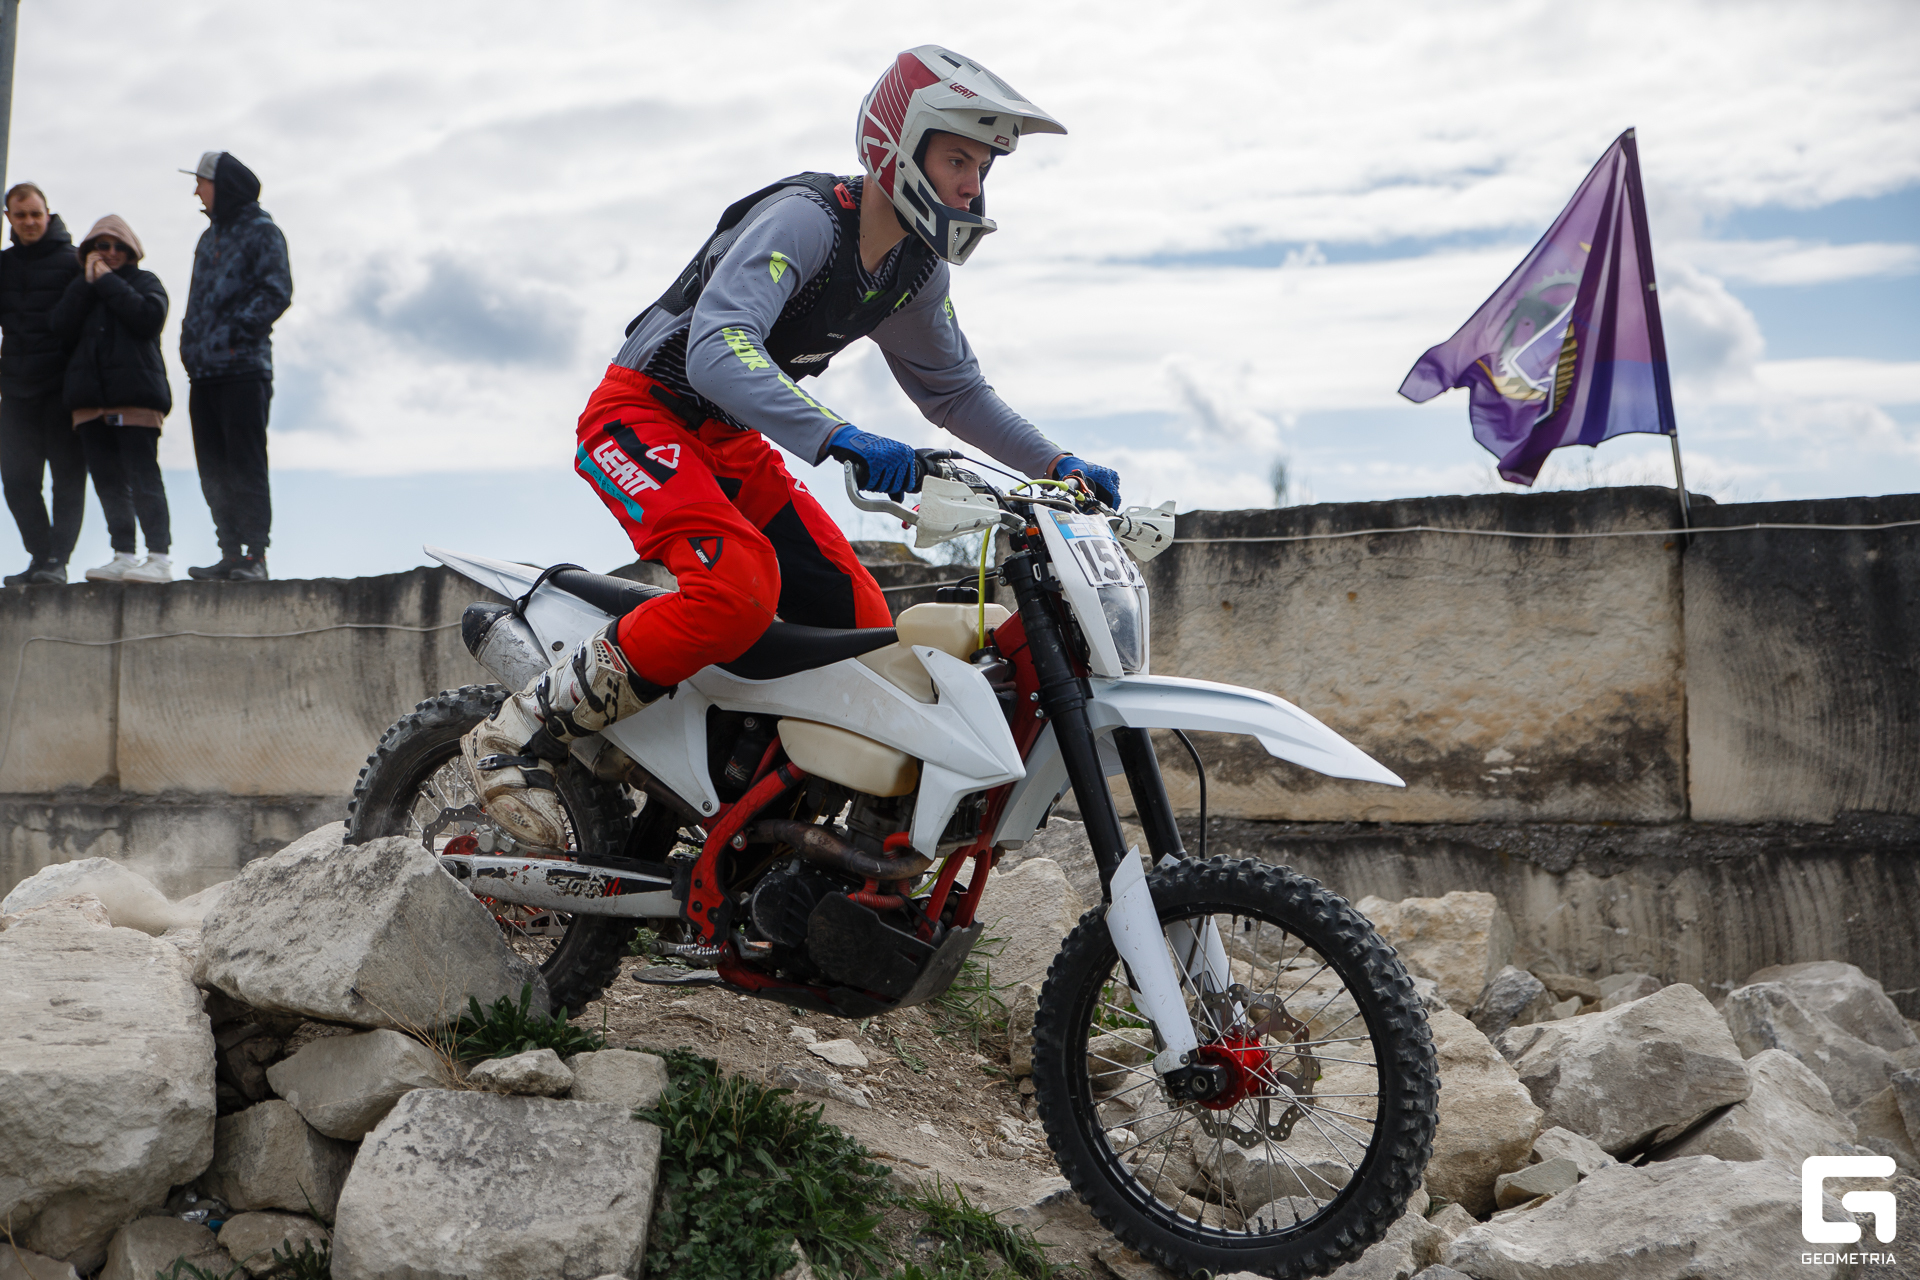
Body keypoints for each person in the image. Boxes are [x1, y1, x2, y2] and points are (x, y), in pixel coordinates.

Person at [462, 45, 1122, 849]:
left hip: (730, 441)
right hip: (641, 415)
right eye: (958, 160)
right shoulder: (808, 221)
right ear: (897, 147)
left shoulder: (914, 271)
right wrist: (838, 435)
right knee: (736, 588)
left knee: (863, 628)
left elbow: (955, 393)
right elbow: (714, 351)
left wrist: (1057, 464)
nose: (972, 187)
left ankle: (748, 828)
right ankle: (518, 729)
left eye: (982, 169)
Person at [178, 151, 291, 582]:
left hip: (243, 369)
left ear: (222, 186)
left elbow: (277, 290)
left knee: (245, 464)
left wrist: (233, 333)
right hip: (203, 373)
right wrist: (190, 345)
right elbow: (196, 299)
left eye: (201, 182)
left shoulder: (263, 231)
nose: (196, 191)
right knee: (212, 467)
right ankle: (229, 552)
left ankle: (255, 557)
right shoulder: (208, 238)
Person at [49, 216, 173, 582]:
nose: (111, 252)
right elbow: (60, 327)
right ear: (89, 250)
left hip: (135, 400)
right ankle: (123, 553)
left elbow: (149, 319)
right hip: (89, 403)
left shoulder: (146, 281)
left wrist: (107, 281)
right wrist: (87, 284)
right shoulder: (79, 289)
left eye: (119, 246)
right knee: (108, 483)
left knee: (143, 478)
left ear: (131, 250)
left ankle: (159, 557)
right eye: (102, 246)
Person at [0, 183, 86, 585]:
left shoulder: (74, 262)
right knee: (17, 481)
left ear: (47, 214)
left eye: (36, 214)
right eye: (21, 216)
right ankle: (39, 556)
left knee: (67, 479)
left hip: (62, 389)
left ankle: (57, 561)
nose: (30, 222)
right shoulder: (3, 265)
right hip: (16, 390)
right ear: (9, 219)